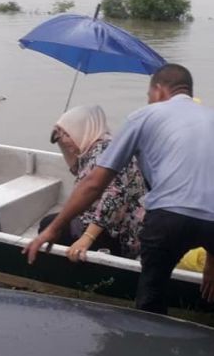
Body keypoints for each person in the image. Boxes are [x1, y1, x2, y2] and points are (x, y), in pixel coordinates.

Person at [24, 64, 214, 347]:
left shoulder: (145, 115)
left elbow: (95, 182)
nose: (148, 100)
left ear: (158, 89)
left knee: (153, 290)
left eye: (149, 94)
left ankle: (149, 354)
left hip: (169, 217)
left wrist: (54, 229)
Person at [40, 105, 146, 261]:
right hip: (114, 226)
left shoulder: (103, 151)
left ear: (81, 129)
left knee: (49, 225)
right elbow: (79, 170)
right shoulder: (98, 145)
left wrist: (87, 238)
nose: (64, 140)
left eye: (67, 134)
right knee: (53, 223)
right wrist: (61, 142)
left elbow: (114, 197)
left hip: (119, 235)